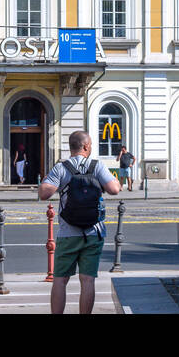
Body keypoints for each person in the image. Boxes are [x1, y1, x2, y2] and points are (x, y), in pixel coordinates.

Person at [39, 130, 120, 314]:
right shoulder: (97, 166)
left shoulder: (61, 168)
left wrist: (51, 184)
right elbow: (114, 189)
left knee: (60, 280)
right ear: (85, 146)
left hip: (68, 233)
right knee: (88, 280)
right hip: (93, 233)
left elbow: (44, 193)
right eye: (90, 145)